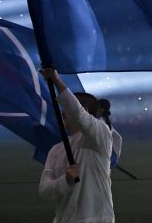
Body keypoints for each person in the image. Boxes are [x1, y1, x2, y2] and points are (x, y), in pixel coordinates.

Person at [39, 68, 114, 223]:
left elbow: (78, 114)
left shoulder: (100, 134)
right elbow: (44, 190)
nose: (63, 111)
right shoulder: (55, 150)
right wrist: (66, 180)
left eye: (67, 107)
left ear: (84, 110)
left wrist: (56, 81)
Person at [97, 99, 122, 170]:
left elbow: (117, 138)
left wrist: (114, 156)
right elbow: (118, 138)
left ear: (101, 109)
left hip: (101, 157)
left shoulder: (100, 122)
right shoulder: (106, 122)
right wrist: (116, 156)